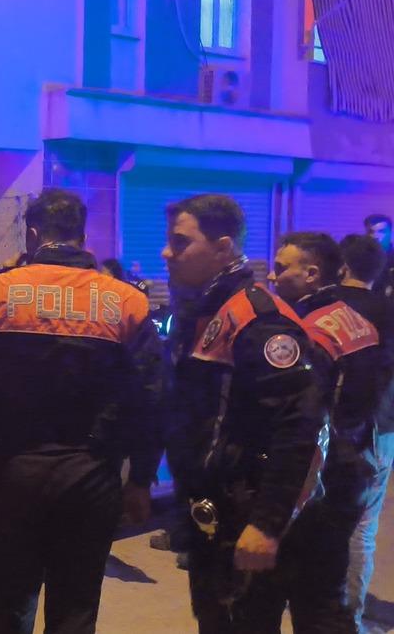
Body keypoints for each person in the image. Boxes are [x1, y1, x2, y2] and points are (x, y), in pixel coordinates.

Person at [0, 188, 161, 634]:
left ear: (33, 234)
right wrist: (140, 479)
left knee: (9, 605)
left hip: (13, 471)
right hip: (91, 475)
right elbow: (152, 397)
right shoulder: (127, 301)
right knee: (75, 608)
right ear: (83, 237)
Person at [162, 194, 326, 633]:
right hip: (213, 511)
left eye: (180, 242)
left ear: (223, 248)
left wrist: (267, 524)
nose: (166, 253)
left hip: (245, 511)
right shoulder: (205, 310)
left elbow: (298, 424)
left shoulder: (258, 318)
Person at [269, 232, 386, 629]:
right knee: (329, 585)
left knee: (308, 597)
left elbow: (303, 415)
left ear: (312, 274)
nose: (272, 276)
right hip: (356, 457)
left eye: (281, 268)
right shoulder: (354, 320)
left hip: (319, 477)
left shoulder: (310, 327)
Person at [336, 234, 394, 630]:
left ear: (342, 265)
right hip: (379, 429)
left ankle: (323, 608)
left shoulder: (325, 309)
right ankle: (349, 618)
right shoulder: (388, 311)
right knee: (361, 528)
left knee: (324, 520)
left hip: (334, 428)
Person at [363, 214, 394, 301]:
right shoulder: (362, 258)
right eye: (371, 232)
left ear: (391, 232)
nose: (376, 236)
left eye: (381, 231)